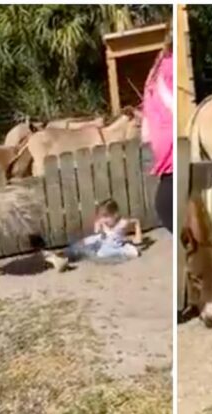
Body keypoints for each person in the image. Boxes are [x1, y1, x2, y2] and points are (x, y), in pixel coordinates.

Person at [142, 24, 173, 233]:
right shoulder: (166, 66)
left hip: (170, 154)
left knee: (166, 205)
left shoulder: (162, 67)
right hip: (170, 156)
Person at [63, 198, 143, 263]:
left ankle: (81, 254)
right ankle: (67, 255)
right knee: (84, 242)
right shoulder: (103, 222)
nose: (103, 220)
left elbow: (136, 221)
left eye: (106, 217)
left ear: (115, 215)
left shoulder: (122, 223)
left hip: (115, 246)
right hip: (102, 240)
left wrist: (138, 235)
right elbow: (97, 231)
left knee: (103, 253)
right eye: (102, 217)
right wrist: (98, 226)